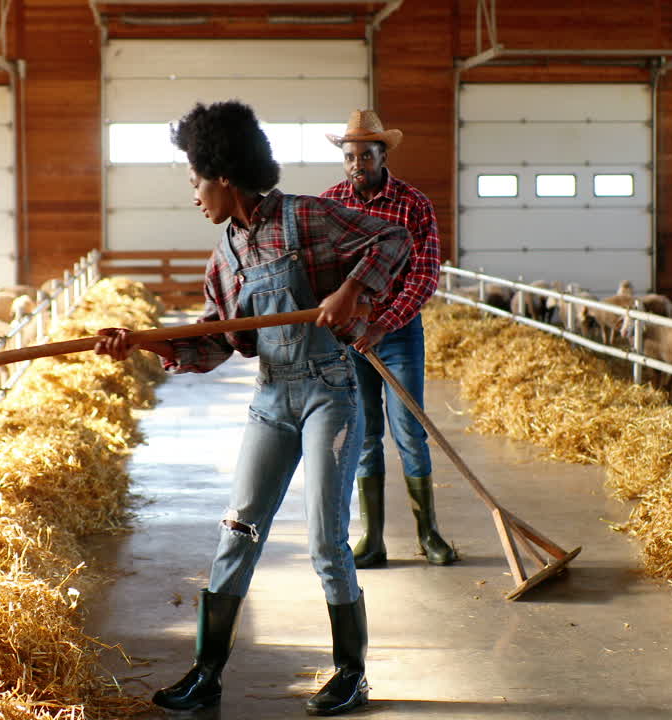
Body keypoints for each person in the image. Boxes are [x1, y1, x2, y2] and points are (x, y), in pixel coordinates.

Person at [93, 100, 410, 717]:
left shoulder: (307, 217)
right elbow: (216, 342)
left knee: (326, 541)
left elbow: (393, 239)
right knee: (237, 530)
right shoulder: (225, 259)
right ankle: (206, 672)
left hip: (329, 392)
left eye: (196, 182)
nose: (194, 196)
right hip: (271, 397)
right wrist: (145, 343)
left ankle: (351, 674)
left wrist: (351, 290)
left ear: (224, 176)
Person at [322, 109, 458, 568]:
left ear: (383, 156)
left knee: (410, 432)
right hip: (349, 339)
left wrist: (385, 322)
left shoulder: (413, 204)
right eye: (349, 156)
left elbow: (425, 274)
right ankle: (373, 539)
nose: (356, 164)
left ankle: (429, 534)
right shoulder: (330, 204)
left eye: (365, 155)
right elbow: (321, 269)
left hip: (398, 334)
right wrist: (346, 321)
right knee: (363, 436)